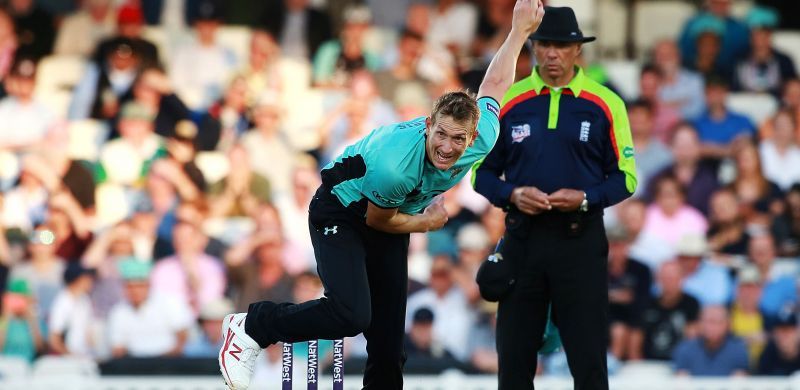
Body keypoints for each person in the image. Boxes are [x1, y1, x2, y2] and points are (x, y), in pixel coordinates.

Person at [217, 2, 545, 389]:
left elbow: (494, 85)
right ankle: (252, 325)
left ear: (473, 138)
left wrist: (519, 33)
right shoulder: (397, 165)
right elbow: (378, 220)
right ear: (428, 125)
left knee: (390, 344)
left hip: (391, 215)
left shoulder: (483, 135)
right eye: (440, 134)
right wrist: (428, 222)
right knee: (352, 315)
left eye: (459, 139)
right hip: (342, 210)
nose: (447, 148)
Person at [472, 6, 636, 389]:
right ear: (532, 46)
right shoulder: (510, 100)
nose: (552, 54)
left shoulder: (606, 103)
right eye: (544, 44)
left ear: (577, 50)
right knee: (513, 361)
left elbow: (625, 179)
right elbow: (480, 174)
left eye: (561, 45)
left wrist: (583, 197)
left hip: (579, 242)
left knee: (589, 361)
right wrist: (513, 193)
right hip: (523, 239)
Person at [672, 305, 749, 377]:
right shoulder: (685, 349)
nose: (712, 327)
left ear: (728, 325)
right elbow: (680, 381)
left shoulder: (738, 350)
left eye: (718, 322)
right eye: (708, 321)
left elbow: (740, 383)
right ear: (699, 323)